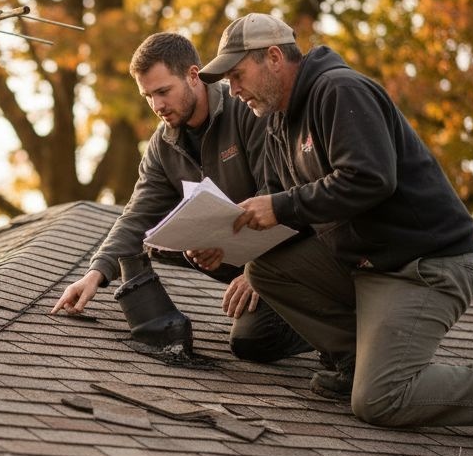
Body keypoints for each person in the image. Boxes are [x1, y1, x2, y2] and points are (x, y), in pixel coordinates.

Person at [197, 12, 473, 448]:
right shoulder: (278, 122)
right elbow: (289, 216)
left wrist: (280, 205)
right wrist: (229, 246)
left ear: (274, 58)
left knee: (380, 401)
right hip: (367, 265)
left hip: (424, 265)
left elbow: (370, 179)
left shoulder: (338, 90)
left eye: (238, 75)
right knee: (264, 269)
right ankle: (355, 361)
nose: (233, 91)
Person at [51, 31, 311, 364]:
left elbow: (278, 191)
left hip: (292, 254)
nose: (157, 106)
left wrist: (257, 271)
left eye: (163, 91)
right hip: (237, 258)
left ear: (193, 75)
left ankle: (324, 322)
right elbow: (137, 215)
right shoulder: (162, 146)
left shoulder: (247, 110)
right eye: (148, 96)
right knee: (249, 342)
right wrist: (96, 273)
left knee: (253, 340)